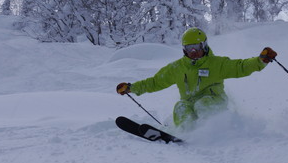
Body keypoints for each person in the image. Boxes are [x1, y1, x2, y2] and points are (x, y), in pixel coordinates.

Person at [116, 27, 277, 128]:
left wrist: (260, 61)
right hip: (190, 103)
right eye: (189, 48)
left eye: (197, 48)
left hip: (214, 102)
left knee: (202, 103)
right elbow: (155, 82)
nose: (193, 52)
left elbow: (240, 67)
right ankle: (187, 135)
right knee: (180, 107)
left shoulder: (217, 64)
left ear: (204, 46)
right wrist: (132, 88)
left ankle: (214, 131)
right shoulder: (177, 68)